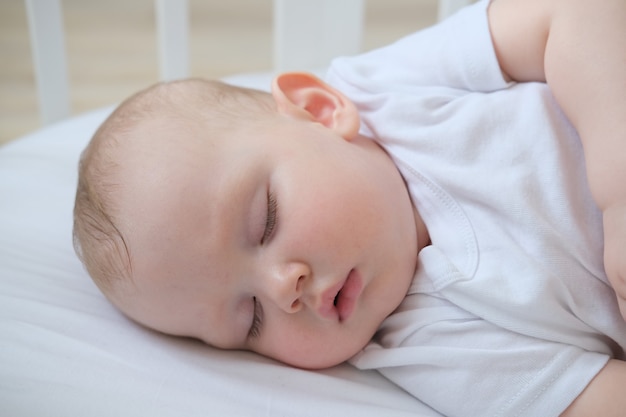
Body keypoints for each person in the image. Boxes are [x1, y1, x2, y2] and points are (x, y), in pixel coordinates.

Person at [72, 0, 626, 415]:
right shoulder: (419, 347)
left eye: (265, 222)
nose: (282, 288)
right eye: (251, 319)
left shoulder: (385, 90)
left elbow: (581, 14)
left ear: (319, 110)